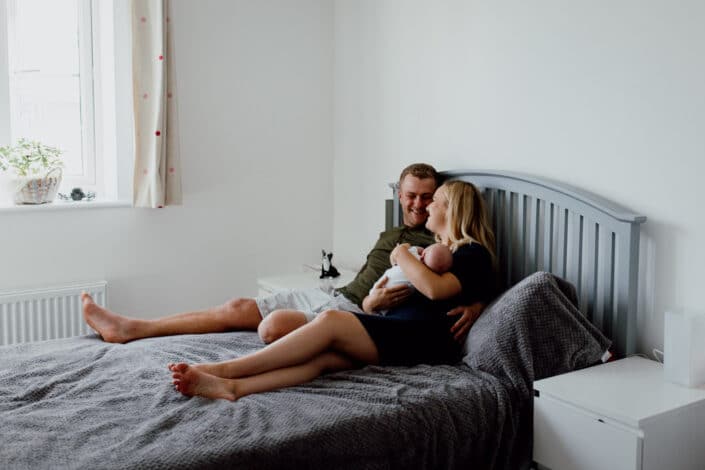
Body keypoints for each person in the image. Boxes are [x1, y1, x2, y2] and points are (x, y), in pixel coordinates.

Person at [81, 163, 484, 346]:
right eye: (411, 195)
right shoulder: (395, 231)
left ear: (443, 204)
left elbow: (467, 274)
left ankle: (134, 331)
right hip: (339, 295)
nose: (419, 205)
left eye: (428, 198)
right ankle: (133, 327)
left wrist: (479, 304)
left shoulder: (440, 249)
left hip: (356, 316)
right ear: (399, 194)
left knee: (270, 326)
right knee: (238, 304)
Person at [169, 180, 497, 401]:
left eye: (435, 202)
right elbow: (442, 290)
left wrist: (401, 255)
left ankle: (225, 369)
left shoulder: (471, 253)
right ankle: (234, 387)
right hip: (399, 330)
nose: (426, 208)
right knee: (322, 360)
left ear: (453, 209)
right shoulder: (445, 255)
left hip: (419, 338)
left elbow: (438, 292)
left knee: (331, 320)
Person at [370, 243, 453, 315]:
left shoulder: (413, 255)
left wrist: (403, 249)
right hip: (382, 302)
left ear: (423, 254)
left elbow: (400, 250)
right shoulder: (429, 276)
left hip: (379, 292)